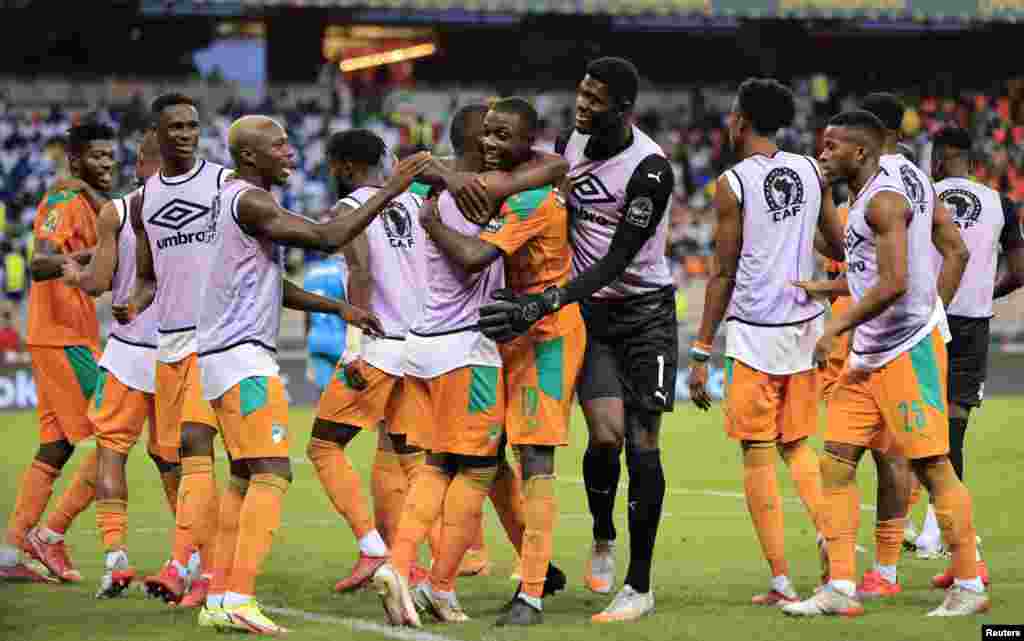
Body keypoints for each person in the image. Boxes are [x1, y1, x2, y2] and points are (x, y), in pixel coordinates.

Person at [193, 114, 415, 634]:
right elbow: (331, 235)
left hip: (224, 358)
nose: (291, 153)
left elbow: (271, 285)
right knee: (274, 472)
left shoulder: (239, 203)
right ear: (250, 156)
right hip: (243, 359)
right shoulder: (252, 201)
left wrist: (335, 308)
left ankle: (220, 596)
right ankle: (241, 596)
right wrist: (390, 189)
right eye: (279, 145)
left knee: (244, 479)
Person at [479, 56, 676, 623]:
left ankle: (639, 586)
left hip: (642, 312)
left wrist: (547, 299)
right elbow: (534, 183)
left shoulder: (650, 170)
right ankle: (603, 534)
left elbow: (617, 259)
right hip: (586, 311)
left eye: (595, 98)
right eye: (581, 92)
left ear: (623, 107)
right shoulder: (570, 144)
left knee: (640, 438)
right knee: (605, 438)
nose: (582, 104)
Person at [782, 110, 987, 618]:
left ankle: (968, 584)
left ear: (861, 152)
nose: (823, 154)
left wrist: (835, 324)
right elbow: (881, 272)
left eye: (832, 147)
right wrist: (831, 290)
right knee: (836, 461)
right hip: (868, 353)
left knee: (931, 464)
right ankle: (842, 588)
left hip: (904, 351)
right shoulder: (893, 184)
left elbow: (894, 281)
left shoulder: (882, 202)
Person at [370, 102, 566, 628]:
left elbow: (549, 164)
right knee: (476, 470)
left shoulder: (419, 188)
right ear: (481, 141)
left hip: (421, 341)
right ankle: (428, 578)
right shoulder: (476, 192)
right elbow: (477, 253)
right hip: (465, 347)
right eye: (495, 135)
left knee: (438, 463)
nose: (502, 145)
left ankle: (411, 572)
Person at [417, 97, 583, 626]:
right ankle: (534, 567)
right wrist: (441, 173)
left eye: (502, 136)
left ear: (526, 144)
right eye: (486, 134)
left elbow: (471, 258)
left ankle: (530, 593)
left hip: (548, 334)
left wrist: (430, 222)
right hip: (505, 329)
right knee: (485, 454)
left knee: (535, 458)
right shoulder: (502, 186)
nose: (489, 145)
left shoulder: (531, 199)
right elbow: (427, 170)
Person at [687, 78, 844, 605]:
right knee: (797, 445)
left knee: (757, 452)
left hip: (755, 333)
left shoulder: (733, 183)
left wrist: (702, 348)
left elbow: (722, 271)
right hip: (803, 326)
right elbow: (838, 243)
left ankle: (780, 579)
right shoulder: (809, 169)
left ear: (741, 120)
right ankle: (830, 538)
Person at [60, 129, 182, 598]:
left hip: (130, 350)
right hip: (177, 350)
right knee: (176, 460)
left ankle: (115, 560)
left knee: (112, 451)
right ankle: (190, 560)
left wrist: (74, 272)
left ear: (138, 164)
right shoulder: (201, 211)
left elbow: (96, 283)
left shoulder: (119, 209)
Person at [305, 129, 426, 593]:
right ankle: (413, 566)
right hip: (417, 348)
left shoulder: (349, 208)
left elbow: (359, 272)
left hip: (377, 347)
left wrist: (352, 348)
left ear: (342, 167)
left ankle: (373, 549)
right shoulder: (417, 205)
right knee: (407, 457)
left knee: (323, 446)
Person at [129, 93, 232, 607]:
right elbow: (149, 276)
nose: (188, 134)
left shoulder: (222, 183)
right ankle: (207, 569)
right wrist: (132, 303)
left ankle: (180, 563)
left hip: (211, 339)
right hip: (166, 341)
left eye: (193, 125)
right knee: (170, 457)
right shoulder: (143, 200)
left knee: (195, 448)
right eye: (177, 127)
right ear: (158, 133)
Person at [0, 122, 114, 584]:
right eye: (97, 158)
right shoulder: (63, 202)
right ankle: (51, 535)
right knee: (115, 432)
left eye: (111, 157)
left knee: (56, 446)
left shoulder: (86, 199)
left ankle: (10, 551)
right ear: (74, 161)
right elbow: (41, 263)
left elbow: (121, 226)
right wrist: (98, 253)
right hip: (63, 337)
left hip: (71, 335)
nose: (108, 164)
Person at [922, 125, 1020, 587]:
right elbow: (1019, 272)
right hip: (973, 324)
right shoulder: (1003, 204)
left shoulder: (922, 195)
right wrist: (987, 292)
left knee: (918, 430)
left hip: (928, 321)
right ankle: (946, 536)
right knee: (954, 431)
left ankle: (944, 534)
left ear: (940, 157)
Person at [302, 248, 347, 394]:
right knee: (346, 395)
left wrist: (307, 343)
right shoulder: (342, 270)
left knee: (324, 395)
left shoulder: (310, 273)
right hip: (341, 338)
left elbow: (306, 314)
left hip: (316, 338)